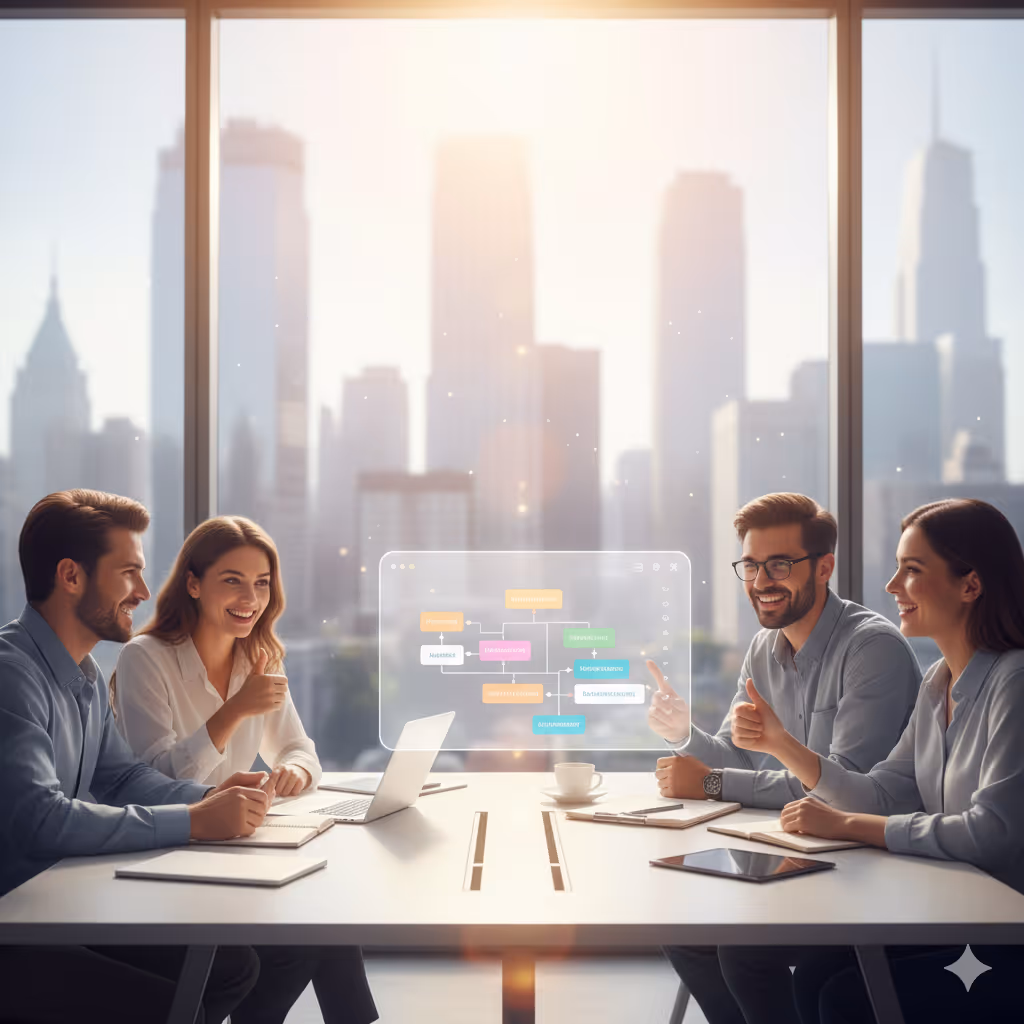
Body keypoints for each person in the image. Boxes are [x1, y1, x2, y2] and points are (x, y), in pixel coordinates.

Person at [722, 498, 1023, 1023]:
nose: (891, 587)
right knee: (815, 973)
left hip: (1004, 934)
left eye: (912, 571)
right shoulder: (938, 683)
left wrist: (852, 826)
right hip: (954, 909)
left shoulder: (1014, 683)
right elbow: (885, 791)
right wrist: (783, 747)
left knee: (843, 996)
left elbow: (992, 834)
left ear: (970, 586)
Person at [647, 493, 922, 1024]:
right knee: (685, 934)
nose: (760, 581)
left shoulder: (872, 649)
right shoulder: (763, 648)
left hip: (865, 861)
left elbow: (842, 786)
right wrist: (685, 735)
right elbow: (739, 758)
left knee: (745, 952)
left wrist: (708, 786)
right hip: (797, 851)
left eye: (779, 564)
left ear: (824, 568)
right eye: (750, 565)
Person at [0, 490, 267, 1024]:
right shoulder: (11, 674)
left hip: (58, 901)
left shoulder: (88, 676)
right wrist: (192, 822)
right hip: (15, 924)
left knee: (230, 964)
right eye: (128, 574)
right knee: (174, 997)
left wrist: (212, 797)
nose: (144, 592)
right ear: (71, 576)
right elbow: (39, 820)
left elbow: (121, 777)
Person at [114, 515, 378, 1024]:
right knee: (313, 931)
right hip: (174, 849)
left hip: (236, 844)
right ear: (194, 584)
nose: (250, 597)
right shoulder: (144, 659)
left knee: (323, 917)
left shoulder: (257, 660)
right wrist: (235, 710)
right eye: (232, 580)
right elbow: (155, 776)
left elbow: (301, 748)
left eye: (261, 583)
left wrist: (294, 772)